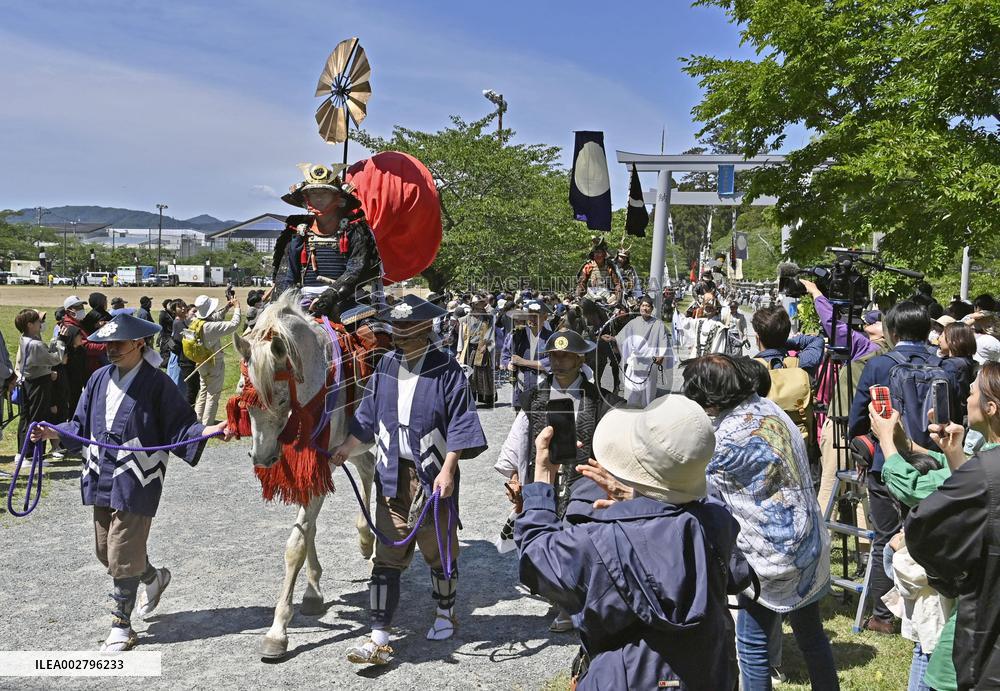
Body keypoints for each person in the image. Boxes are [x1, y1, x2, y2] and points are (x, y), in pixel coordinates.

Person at [30, 314, 230, 652]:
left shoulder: (158, 383)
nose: (111, 350)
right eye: (107, 344)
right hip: (99, 473)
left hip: (138, 476)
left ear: (138, 344)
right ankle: (153, 577)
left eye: (118, 344)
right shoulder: (97, 379)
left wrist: (209, 431)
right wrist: (54, 431)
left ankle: (121, 625)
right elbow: (80, 424)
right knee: (104, 550)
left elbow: (181, 427)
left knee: (121, 550)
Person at [515, 395, 742, 690]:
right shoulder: (716, 522)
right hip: (707, 672)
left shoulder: (602, 540)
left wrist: (543, 478)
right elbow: (737, 574)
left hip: (625, 677)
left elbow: (536, 560)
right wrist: (645, 497)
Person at [330, 295, 487, 666]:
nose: (397, 332)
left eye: (404, 326)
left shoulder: (446, 368)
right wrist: (344, 449)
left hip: (432, 476)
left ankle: (446, 613)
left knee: (439, 552)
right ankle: (378, 638)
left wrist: (449, 469)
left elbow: (462, 423)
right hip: (391, 476)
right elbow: (366, 418)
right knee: (387, 555)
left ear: (425, 328)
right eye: (396, 326)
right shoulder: (384, 365)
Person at [682, 355, 838, 690]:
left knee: (752, 645)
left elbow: (694, 490)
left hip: (770, 559)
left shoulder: (723, 442)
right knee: (812, 636)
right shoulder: (771, 410)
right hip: (808, 544)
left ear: (708, 397)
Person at [848, 301, 960, 633]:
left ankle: (884, 616)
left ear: (892, 332)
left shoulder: (880, 365)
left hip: (888, 460)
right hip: (933, 460)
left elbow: (857, 415)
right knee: (925, 534)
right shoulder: (944, 366)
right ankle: (925, 604)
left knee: (886, 536)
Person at [905, 362, 1000, 689]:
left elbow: (923, 527)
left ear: (991, 407)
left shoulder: (985, 469)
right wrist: (955, 453)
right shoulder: (983, 469)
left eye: (972, 392)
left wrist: (947, 576)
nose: (966, 399)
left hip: (979, 636)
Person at [868, 405, 956, 691]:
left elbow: (916, 486)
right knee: (922, 653)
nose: (966, 398)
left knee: (929, 658)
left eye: (973, 393)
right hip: (933, 618)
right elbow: (954, 465)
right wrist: (902, 442)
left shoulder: (920, 550)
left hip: (936, 617)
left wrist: (885, 442)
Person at [273, 164, 383, 318]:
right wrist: (283, 304)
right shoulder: (296, 232)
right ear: (306, 199)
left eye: (325, 193)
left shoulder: (355, 230)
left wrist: (330, 295)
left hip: (347, 301)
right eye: (312, 193)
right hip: (301, 303)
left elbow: (357, 268)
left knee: (371, 336)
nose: (318, 198)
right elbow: (286, 275)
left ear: (339, 198)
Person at [14, 309, 67, 460]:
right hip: (38, 383)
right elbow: (55, 359)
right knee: (38, 418)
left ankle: (23, 453)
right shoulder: (36, 344)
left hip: (28, 382)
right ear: (30, 325)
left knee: (27, 417)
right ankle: (32, 455)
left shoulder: (24, 338)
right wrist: (61, 340)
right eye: (39, 321)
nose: (41, 324)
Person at [610, 295, 671, 408]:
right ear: (639, 308)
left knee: (648, 397)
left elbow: (663, 341)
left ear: (652, 309)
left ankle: (647, 416)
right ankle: (631, 415)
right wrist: (612, 338)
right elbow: (622, 337)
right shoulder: (633, 322)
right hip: (635, 363)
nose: (645, 308)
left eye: (647, 306)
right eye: (643, 306)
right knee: (631, 395)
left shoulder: (658, 324)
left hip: (650, 364)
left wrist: (661, 355)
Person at [191, 294, 241, 425]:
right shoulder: (209, 327)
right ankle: (207, 425)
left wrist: (227, 307)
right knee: (213, 394)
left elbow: (214, 318)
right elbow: (234, 324)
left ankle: (197, 421)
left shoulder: (196, 322)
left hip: (201, 361)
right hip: (213, 363)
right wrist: (237, 308)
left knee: (203, 392)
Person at [500, 301, 552, 411]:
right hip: (521, 383)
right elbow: (505, 355)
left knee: (540, 420)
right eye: (530, 315)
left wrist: (523, 362)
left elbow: (552, 362)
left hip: (542, 385)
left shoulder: (551, 338)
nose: (532, 319)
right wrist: (508, 363)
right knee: (520, 420)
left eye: (536, 316)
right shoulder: (515, 334)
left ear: (545, 317)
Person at [751, 304, 826, 375]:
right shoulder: (801, 363)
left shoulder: (747, 370)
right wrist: (783, 342)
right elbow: (817, 340)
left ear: (757, 339)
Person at [457, 294, 496, 407]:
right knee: (470, 375)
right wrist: (459, 351)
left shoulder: (488, 318)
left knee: (483, 374)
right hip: (469, 350)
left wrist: (487, 345)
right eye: (480, 303)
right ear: (474, 305)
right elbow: (461, 337)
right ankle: (470, 399)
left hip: (483, 349)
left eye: (484, 303)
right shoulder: (465, 319)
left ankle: (487, 398)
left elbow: (492, 334)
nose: (483, 305)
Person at [575, 236, 622, 303]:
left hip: (606, 294)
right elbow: (581, 283)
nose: (598, 255)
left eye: (600, 252)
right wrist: (577, 295)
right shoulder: (588, 266)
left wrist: (617, 298)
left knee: (617, 310)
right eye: (596, 253)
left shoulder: (609, 267)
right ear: (593, 255)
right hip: (590, 294)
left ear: (604, 254)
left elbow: (617, 284)